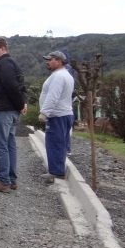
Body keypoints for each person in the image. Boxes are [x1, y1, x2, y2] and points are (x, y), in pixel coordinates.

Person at [0, 36, 28, 193]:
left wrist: (20, 104)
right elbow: (21, 86)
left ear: (3, 48)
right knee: (9, 145)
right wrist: (22, 103)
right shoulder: (11, 64)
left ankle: (3, 182)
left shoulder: (4, 64)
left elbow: (11, 86)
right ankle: (11, 179)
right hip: (11, 111)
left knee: (1, 146)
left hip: (3, 111)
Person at [38, 50, 75, 183]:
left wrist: (45, 112)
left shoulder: (58, 76)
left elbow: (53, 95)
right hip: (65, 114)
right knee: (61, 143)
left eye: (50, 59)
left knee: (54, 143)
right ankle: (57, 169)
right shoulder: (66, 75)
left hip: (57, 115)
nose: (47, 62)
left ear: (59, 61)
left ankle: (56, 171)